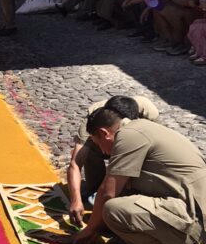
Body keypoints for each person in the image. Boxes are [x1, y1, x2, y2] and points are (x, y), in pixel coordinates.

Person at [73, 106, 206, 244]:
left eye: (99, 145)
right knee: (119, 200)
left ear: (104, 133)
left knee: (113, 209)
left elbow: (108, 191)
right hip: (200, 213)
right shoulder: (141, 127)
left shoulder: (129, 135)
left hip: (197, 222)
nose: (104, 152)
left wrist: (90, 229)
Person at [66, 94, 160, 227]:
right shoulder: (93, 121)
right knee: (89, 151)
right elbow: (75, 163)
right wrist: (75, 200)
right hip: (102, 138)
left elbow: (153, 148)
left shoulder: (147, 113)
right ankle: (96, 189)